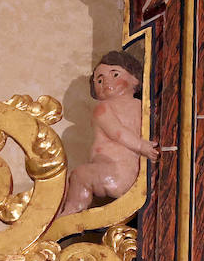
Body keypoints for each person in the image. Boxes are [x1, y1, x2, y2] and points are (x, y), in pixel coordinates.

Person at [59, 51, 158, 215]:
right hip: (127, 174)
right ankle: (62, 212)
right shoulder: (141, 106)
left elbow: (116, 132)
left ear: (135, 79)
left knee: (79, 175)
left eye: (115, 74)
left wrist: (142, 146)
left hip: (115, 174)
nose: (106, 81)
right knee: (68, 181)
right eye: (99, 79)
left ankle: (72, 212)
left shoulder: (103, 108)